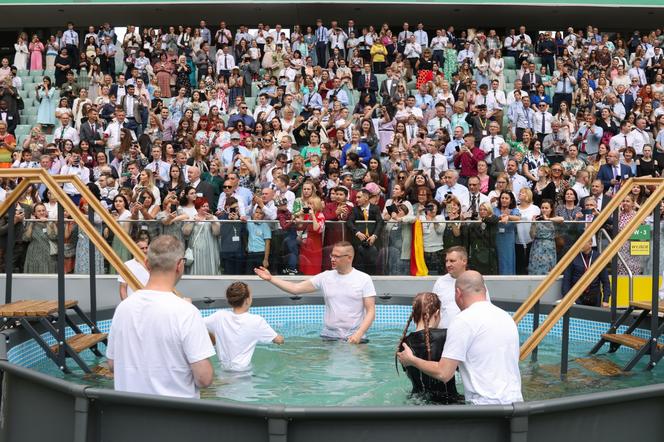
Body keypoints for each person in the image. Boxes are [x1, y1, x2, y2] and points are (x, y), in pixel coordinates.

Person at [106, 235, 215, 398]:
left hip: (129, 413)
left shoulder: (123, 308)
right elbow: (204, 378)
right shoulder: (186, 312)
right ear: (179, 265)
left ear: (147, 264)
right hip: (174, 414)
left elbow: (112, 364)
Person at [398, 270, 523, 405]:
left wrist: (412, 359)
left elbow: (443, 373)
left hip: (485, 406)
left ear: (457, 293)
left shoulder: (463, 321)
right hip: (515, 404)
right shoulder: (506, 318)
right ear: (484, 291)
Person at [254, 241, 376, 343]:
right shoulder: (325, 277)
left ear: (349, 258)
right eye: (332, 255)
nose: (332, 259)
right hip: (329, 336)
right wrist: (271, 279)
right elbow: (295, 289)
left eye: (337, 256)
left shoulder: (364, 279)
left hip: (355, 336)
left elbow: (370, 311)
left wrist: (359, 334)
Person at [397, 292, 462, 404]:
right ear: (437, 313)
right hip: (448, 402)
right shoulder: (446, 336)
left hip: (416, 402)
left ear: (414, 316)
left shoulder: (404, 344)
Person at [205, 282, 283, 372]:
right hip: (242, 374)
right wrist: (280, 337)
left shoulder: (219, 317)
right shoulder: (256, 321)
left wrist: (212, 337)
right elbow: (278, 340)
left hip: (224, 371)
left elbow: (197, 324)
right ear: (247, 300)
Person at [562, 239, 611, 307]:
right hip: (577, 298)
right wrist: (567, 299)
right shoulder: (573, 257)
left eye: (582, 242)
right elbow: (566, 280)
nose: (579, 244)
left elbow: (605, 281)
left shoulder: (599, 257)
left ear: (590, 244)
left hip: (595, 298)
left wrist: (606, 300)